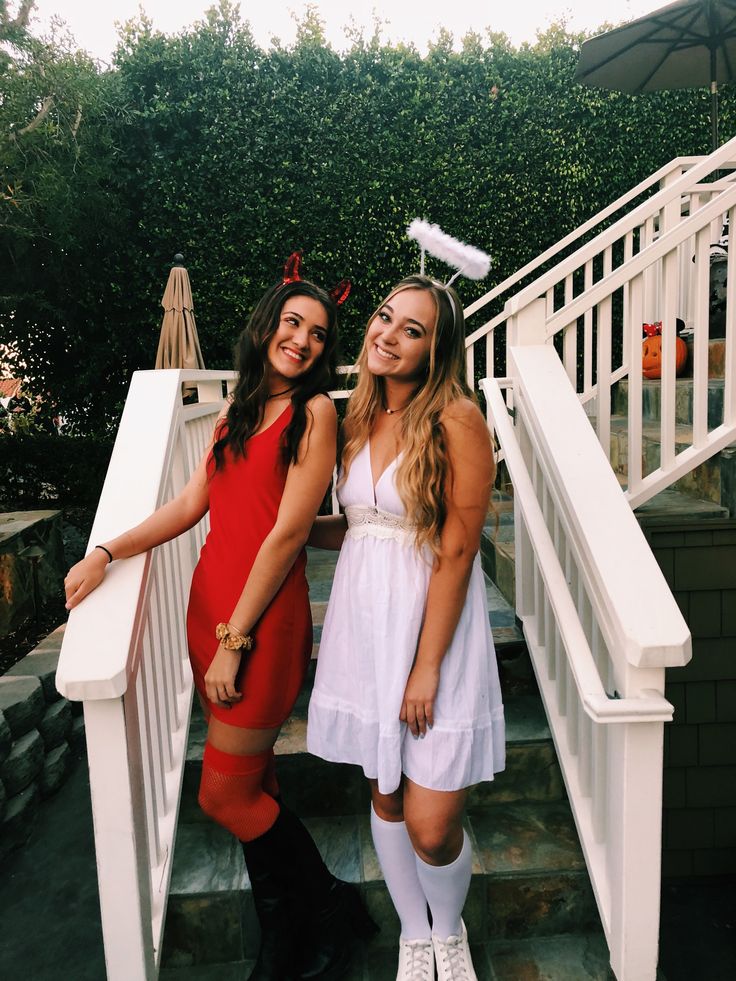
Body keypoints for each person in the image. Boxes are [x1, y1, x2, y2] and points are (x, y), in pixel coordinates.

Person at [64, 263, 376, 981]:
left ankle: (329, 904)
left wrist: (233, 642)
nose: (301, 340)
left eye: (317, 334)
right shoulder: (241, 404)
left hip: (258, 626)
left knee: (223, 793)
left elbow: (288, 533)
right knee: (254, 783)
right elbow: (187, 506)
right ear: (267, 322)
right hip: (207, 611)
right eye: (292, 322)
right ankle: (286, 937)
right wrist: (108, 549)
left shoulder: (314, 413)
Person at [307, 274, 505, 981]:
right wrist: (285, 526)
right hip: (368, 629)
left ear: (436, 348)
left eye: (411, 329)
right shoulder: (356, 414)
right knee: (386, 792)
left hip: (435, 639)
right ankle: (414, 936)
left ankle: (448, 930)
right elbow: (364, 529)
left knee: (431, 821)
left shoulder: (458, 418)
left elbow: (456, 550)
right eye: (385, 317)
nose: (386, 334)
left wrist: (426, 666)